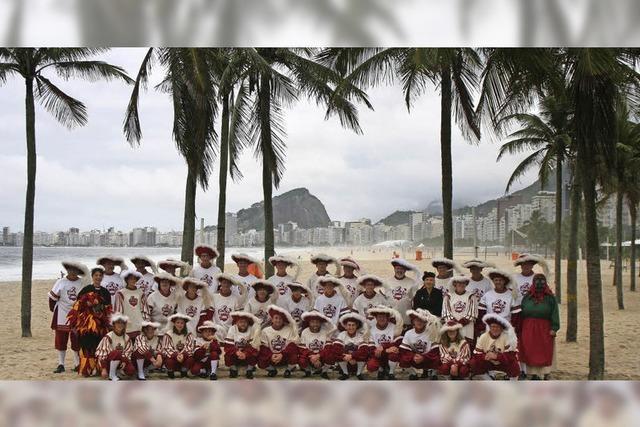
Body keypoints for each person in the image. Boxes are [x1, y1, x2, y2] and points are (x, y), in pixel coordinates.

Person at [68, 265, 112, 377]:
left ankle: (98, 367)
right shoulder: (86, 289)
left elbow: (108, 308)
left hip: (101, 323)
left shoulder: (105, 292)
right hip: (87, 324)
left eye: (100, 275)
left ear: (102, 277)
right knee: (87, 345)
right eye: (96, 275)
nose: (98, 277)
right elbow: (77, 306)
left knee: (98, 345)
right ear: (92, 277)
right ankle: (87, 368)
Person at [49, 260, 87, 374]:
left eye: (75, 270)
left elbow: (85, 298)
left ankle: (77, 364)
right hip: (62, 312)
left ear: (78, 271)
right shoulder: (61, 282)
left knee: (76, 340)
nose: (72, 272)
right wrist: (53, 309)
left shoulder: (82, 283)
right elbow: (52, 298)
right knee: (61, 339)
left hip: (77, 314)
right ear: (67, 270)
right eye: (70, 269)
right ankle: (61, 364)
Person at [519, 273, 559, 380]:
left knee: (544, 351)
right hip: (528, 327)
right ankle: (532, 374)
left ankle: (545, 373)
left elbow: (555, 312)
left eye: (542, 280)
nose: (540, 283)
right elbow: (521, 312)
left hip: (545, 328)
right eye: (537, 280)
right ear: (533, 282)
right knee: (529, 350)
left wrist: (554, 328)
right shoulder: (527, 297)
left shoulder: (550, 298)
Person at [470, 313, 520, 380]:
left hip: (502, 363)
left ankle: (510, 380)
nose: (495, 329)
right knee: (474, 362)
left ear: (501, 328)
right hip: (488, 362)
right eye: (493, 326)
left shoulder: (507, 337)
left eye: (498, 327)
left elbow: (511, 356)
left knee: (514, 364)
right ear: (489, 327)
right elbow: (476, 355)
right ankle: (486, 379)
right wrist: (485, 356)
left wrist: (496, 356)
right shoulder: (483, 337)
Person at [257, 305, 300, 378]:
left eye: (280, 318)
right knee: (260, 360)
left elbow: (292, 345)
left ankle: (288, 370)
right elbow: (264, 347)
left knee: (295, 356)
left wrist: (282, 354)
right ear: (272, 319)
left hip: (285, 356)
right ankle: (272, 370)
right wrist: (271, 355)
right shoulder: (265, 331)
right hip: (271, 357)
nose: (278, 320)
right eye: (276, 318)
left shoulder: (289, 330)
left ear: (283, 320)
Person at [399, 309, 441, 380]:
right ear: (413, 322)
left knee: (438, 358)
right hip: (415, 358)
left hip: (428, 358)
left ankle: (433, 373)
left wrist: (424, 357)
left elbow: (435, 350)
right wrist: (413, 356)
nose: (419, 322)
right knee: (402, 358)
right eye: (417, 320)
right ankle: (413, 373)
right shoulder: (408, 333)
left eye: (421, 320)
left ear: (425, 322)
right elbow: (404, 350)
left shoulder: (432, 332)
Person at [366, 305, 404, 380]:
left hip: (391, 353)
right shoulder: (371, 330)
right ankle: (381, 369)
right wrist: (385, 350)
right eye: (379, 317)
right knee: (371, 366)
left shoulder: (394, 327)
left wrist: (384, 347)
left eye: (384, 316)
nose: (381, 319)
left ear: (387, 318)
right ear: (376, 318)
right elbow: (371, 349)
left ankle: (391, 373)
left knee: (394, 354)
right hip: (378, 355)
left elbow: (398, 342)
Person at [331, 312, 370, 380]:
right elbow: (336, 349)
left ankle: (359, 373)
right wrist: (346, 356)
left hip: (357, 362)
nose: (351, 327)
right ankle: (345, 373)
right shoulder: (342, 335)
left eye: (353, 325)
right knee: (335, 354)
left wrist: (352, 356)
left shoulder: (361, 336)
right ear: (345, 326)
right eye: (349, 325)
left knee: (365, 354)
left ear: (356, 326)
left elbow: (364, 350)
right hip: (346, 362)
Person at [95, 314, 135, 381]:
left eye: (122, 323)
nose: (120, 325)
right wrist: (103, 369)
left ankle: (117, 372)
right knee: (116, 352)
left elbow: (128, 352)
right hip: (108, 363)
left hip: (121, 362)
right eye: (118, 323)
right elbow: (102, 354)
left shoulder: (127, 338)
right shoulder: (108, 337)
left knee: (131, 370)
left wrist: (125, 361)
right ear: (114, 324)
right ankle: (111, 375)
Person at [297, 311, 336, 378]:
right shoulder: (304, 332)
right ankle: (308, 371)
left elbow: (328, 347)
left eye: (317, 322)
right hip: (309, 357)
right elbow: (302, 349)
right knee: (301, 360)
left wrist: (318, 356)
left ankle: (324, 371)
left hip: (321, 357)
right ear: (309, 323)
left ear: (320, 323)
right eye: (312, 322)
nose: (315, 324)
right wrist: (312, 356)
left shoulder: (325, 332)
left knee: (331, 356)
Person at [223, 311, 261, 379]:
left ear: (248, 323)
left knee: (255, 353)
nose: (243, 324)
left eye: (245, 322)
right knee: (227, 355)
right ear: (236, 322)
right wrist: (236, 352)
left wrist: (245, 353)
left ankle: (249, 370)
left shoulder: (251, 329)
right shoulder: (232, 329)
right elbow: (228, 346)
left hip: (247, 355)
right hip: (236, 354)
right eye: (240, 322)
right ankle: (233, 369)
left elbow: (253, 346)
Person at [113, 270, 149, 339]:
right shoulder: (121, 293)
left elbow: (145, 309)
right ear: (127, 280)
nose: (133, 280)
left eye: (135, 279)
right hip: (127, 325)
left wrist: (145, 322)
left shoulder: (140, 292)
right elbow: (118, 311)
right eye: (131, 278)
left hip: (139, 324)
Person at [386, 258, 421, 328]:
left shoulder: (411, 282)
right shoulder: (387, 282)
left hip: (406, 318)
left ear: (405, 270)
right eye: (397, 268)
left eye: (402, 269)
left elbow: (414, 300)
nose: (399, 270)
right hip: (391, 318)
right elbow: (384, 300)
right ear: (394, 269)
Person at [441, 276, 477, 342]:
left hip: (467, 328)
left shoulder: (471, 296)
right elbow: (446, 313)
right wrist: (454, 326)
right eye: (459, 283)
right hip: (451, 328)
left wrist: (459, 325)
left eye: (463, 283)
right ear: (455, 284)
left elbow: (471, 314)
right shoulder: (448, 296)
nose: (461, 285)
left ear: (466, 284)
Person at [160, 313, 195, 378]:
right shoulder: (168, 334)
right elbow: (167, 348)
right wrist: (176, 355)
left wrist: (183, 355)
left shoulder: (189, 334)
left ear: (184, 324)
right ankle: (170, 371)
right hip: (174, 358)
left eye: (182, 323)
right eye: (178, 322)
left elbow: (190, 347)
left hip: (183, 358)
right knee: (168, 360)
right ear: (174, 323)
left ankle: (183, 371)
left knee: (191, 359)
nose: (180, 325)